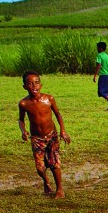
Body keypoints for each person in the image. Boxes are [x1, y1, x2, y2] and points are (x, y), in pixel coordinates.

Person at [18, 71, 72, 199]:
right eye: (30, 84)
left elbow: (58, 114)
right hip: (37, 139)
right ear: (25, 87)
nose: (34, 86)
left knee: (54, 163)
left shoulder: (49, 99)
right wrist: (23, 131)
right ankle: (46, 181)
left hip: (51, 135)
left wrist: (63, 131)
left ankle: (59, 189)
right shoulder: (24, 104)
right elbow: (21, 120)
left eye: (36, 83)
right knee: (40, 167)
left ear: (40, 85)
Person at [93, 41, 108, 111]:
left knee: (101, 91)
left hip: (103, 76)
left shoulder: (99, 55)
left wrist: (95, 75)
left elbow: (98, 65)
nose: (97, 49)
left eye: (97, 48)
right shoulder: (107, 56)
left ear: (100, 48)